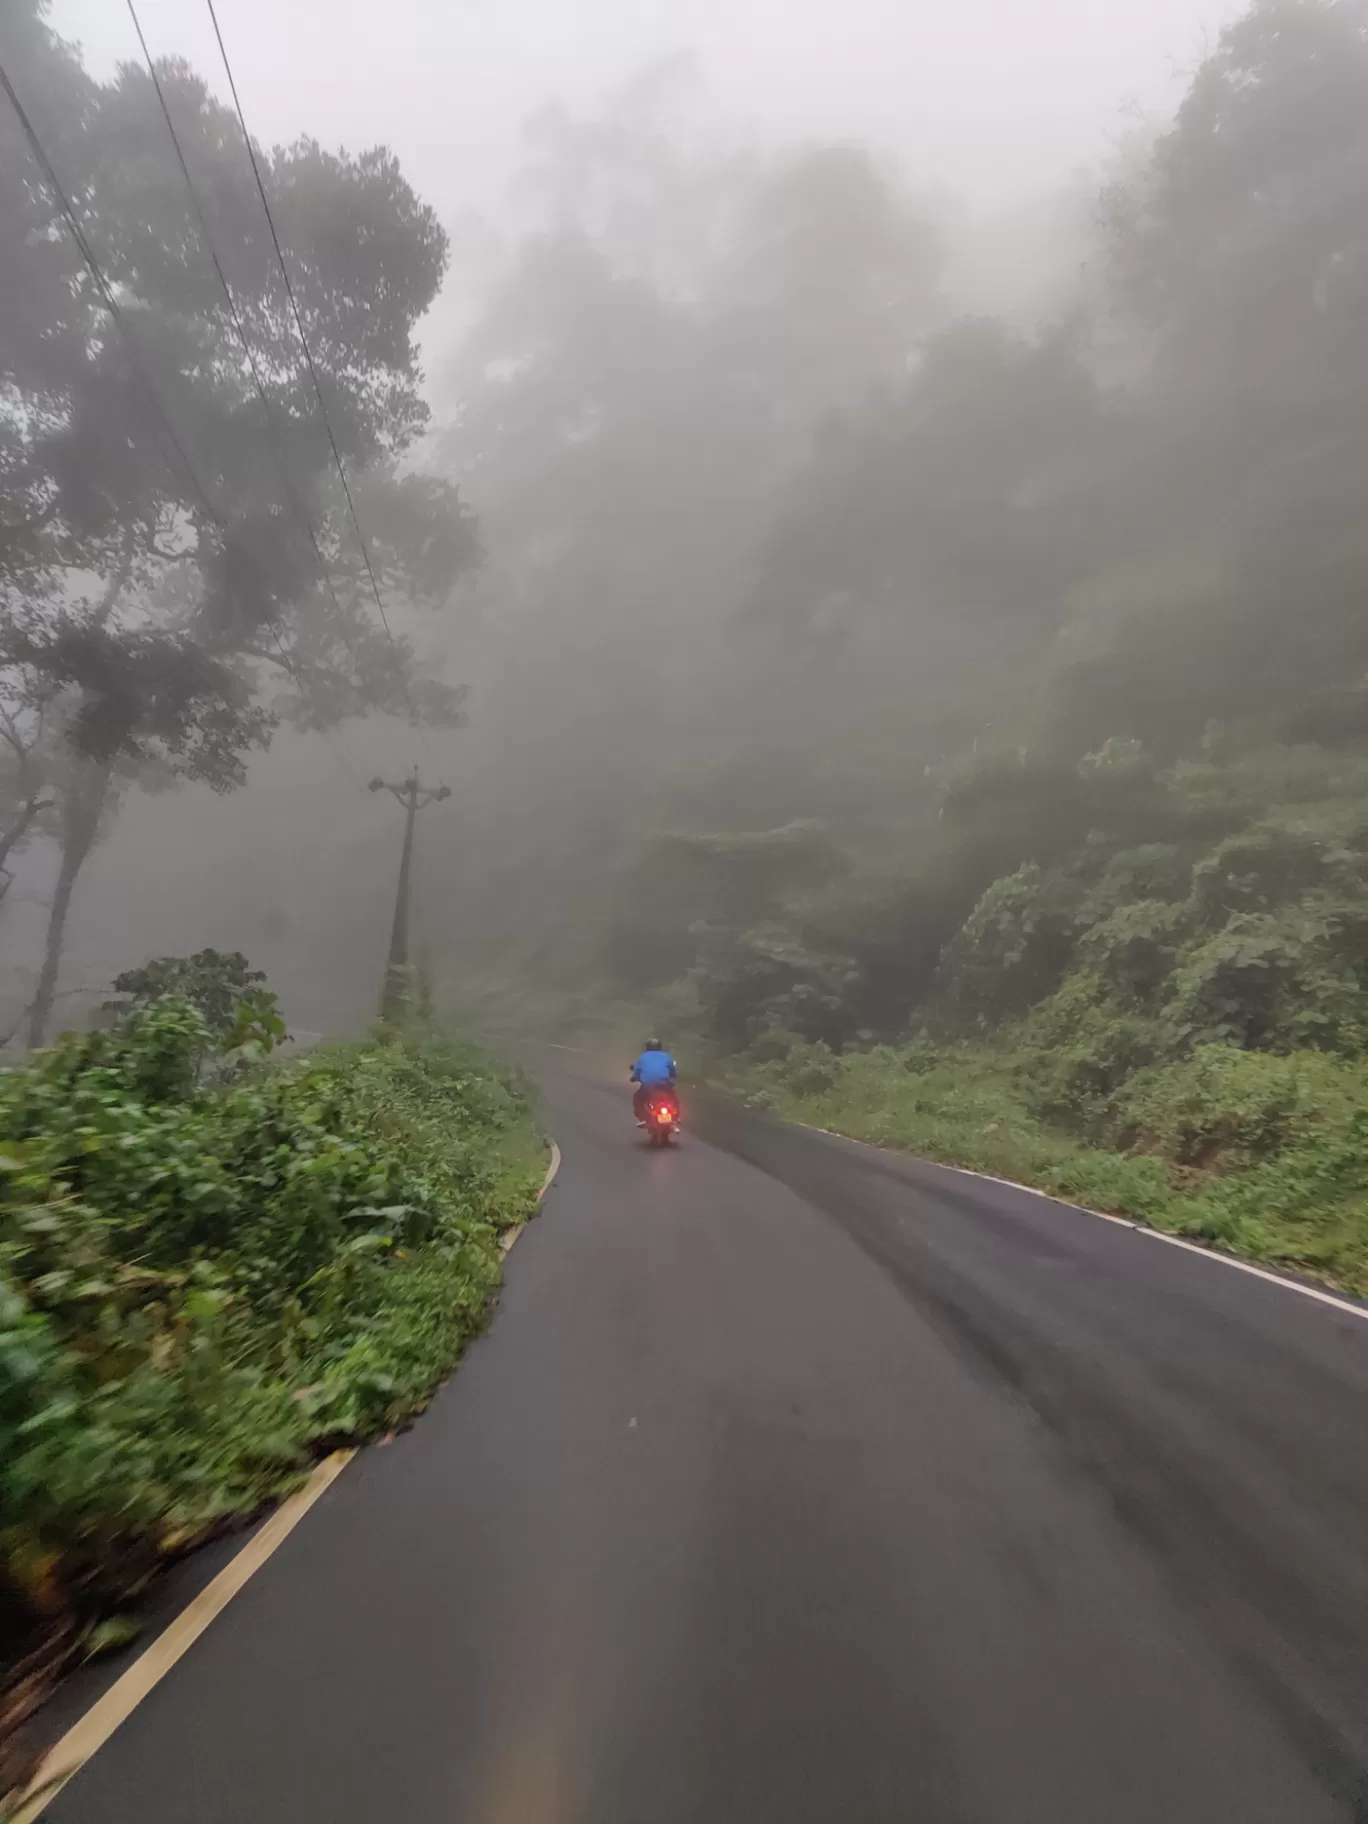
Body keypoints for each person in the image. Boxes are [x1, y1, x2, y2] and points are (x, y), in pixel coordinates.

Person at [631, 1038, 677, 1121]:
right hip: (664, 1084)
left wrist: (634, 1078)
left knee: (638, 1098)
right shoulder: (666, 1056)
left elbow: (637, 1071)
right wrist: (673, 1078)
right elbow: (672, 1070)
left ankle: (641, 1117)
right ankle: (677, 1117)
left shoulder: (643, 1057)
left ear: (647, 1047)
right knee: (673, 1098)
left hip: (648, 1085)